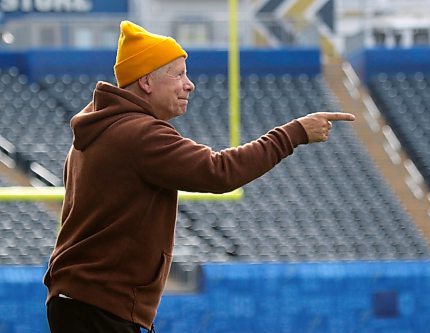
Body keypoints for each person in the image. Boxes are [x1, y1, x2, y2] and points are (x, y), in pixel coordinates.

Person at [43, 20, 355, 333]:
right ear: (147, 81)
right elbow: (219, 172)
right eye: (178, 74)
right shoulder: (138, 134)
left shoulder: (101, 130)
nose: (189, 84)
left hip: (83, 299)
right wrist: (294, 133)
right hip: (100, 304)